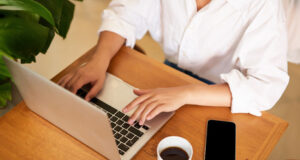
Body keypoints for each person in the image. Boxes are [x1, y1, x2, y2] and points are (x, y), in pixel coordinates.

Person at [58, 0, 289, 126]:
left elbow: (264, 87)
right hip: (172, 75)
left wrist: (186, 94)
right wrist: (98, 61)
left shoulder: (264, 5)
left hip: (222, 93)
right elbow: (124, 14)